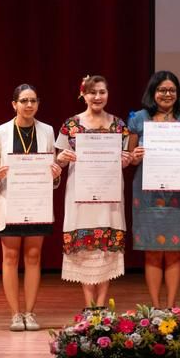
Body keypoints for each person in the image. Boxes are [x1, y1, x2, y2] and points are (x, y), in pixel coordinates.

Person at [0, 83, 62, 331]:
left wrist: (55, 175)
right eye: (24, 101)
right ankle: (15, 314)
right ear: (14, 104)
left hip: (37, 203)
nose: (29, 105)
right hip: (11, 202)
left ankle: (30, 313)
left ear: (38, 104)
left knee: (33, 256)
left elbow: (51, 168)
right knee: (10, 257)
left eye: (33, 100)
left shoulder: (47, 131)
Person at [55, 75, 131, 308]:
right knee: (84, 249)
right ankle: (89, 306)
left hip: (109, 195)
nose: (97, 97)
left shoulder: (119, 125)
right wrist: (62, 158)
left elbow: (125, 159)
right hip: (80, 195)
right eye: (92, 92)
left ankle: (101, 305)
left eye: (102, 92)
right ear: (83, 95)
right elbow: (59, 161)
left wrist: (126, 160)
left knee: (106, 247)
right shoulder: (71, 125)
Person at [127, 71, 180, 308]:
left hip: (179, 192)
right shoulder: (138, 119)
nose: (167, 94)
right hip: (147, 193)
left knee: (175, 250)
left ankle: (170, 307)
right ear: (153, 92)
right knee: (151, 250)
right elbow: (129, 157)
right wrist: (134, 156)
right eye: (162, 90)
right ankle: (156, 307)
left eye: (172, 90)